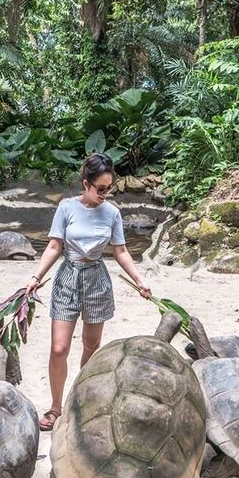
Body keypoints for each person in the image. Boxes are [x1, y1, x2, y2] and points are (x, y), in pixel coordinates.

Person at [25, 153, 151, 431]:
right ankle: (56, 408)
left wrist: (140, 281)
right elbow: (55, 246)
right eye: (101, 189)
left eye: (110, 188)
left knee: (91, 347)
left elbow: (120, 251)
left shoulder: (112, 213)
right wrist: (35, 277)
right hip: (68, 276)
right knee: (59, 348)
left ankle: (81, 401)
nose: (106, 194)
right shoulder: (67, 208)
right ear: (86, 184)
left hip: (97, 279)